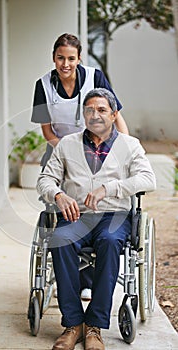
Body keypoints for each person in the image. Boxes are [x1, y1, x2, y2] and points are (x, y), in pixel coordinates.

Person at [37, 88, 156, 350]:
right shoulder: (67, 143)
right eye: (89, 110)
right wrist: (58, 195)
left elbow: (149, 179)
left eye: (102, 110)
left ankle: (94, 326)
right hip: (76, 214)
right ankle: (73, 324)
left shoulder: (129, 145)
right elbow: (45, 179)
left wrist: (110, 188)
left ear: (114, 115)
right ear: (83, 115)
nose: (95, 114)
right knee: (60, 239)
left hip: (114, 216)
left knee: (111, 242)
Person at [31, 33, 129, 300]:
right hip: (61, 149)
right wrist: (70, 151)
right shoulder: (43, 85)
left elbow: (115, 112)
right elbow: (47, 131)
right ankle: (69, 275)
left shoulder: (94, 77)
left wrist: (126, 145)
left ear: (79, 58)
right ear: (54, 58)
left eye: (71, 58)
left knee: (97, 208)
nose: (65, 64)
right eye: (60, 58)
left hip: (100, 147)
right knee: (66, 208)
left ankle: (88, 280)